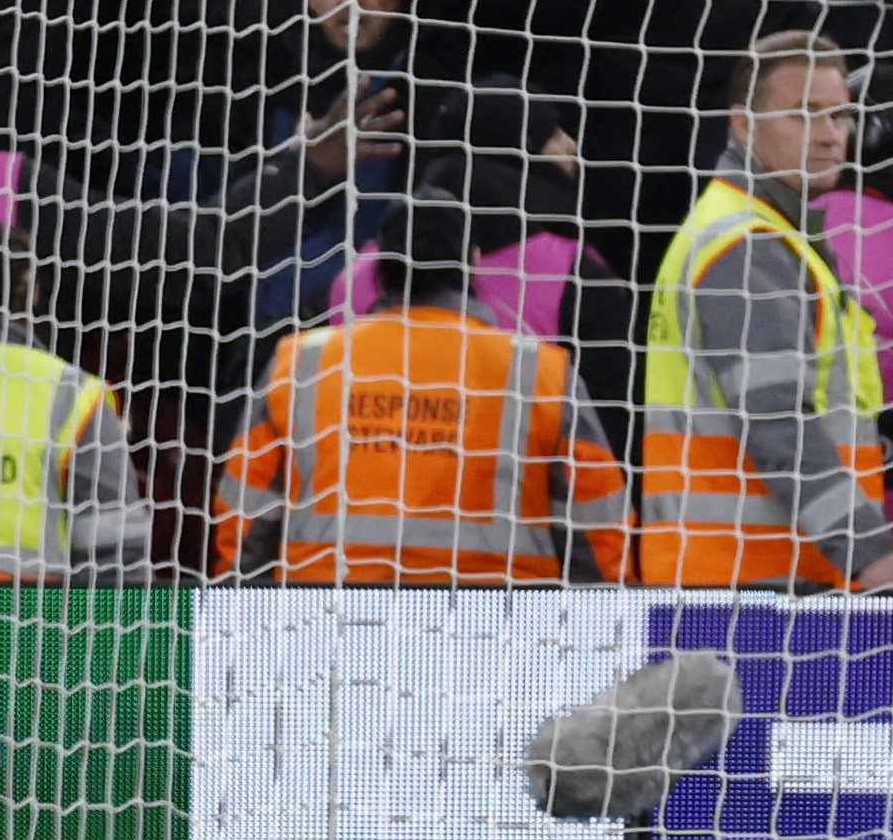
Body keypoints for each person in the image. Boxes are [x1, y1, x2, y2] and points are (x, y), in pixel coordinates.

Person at [631, 28, 893, 592]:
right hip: (754, 588)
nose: (832, 136)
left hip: (744, 578)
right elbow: (777, 421)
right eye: (806, 115)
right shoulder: (746, 244)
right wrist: (869, 552)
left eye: (840, 116)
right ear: (744, 125)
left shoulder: (750, 230)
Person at [212, 229, 629, 582]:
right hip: (500, 631)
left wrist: (239, 608)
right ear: (474, 260)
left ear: (378, 269)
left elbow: (246, 512)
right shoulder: (540, 369)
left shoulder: (301, 360)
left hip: (328, 624)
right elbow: (596, 522)